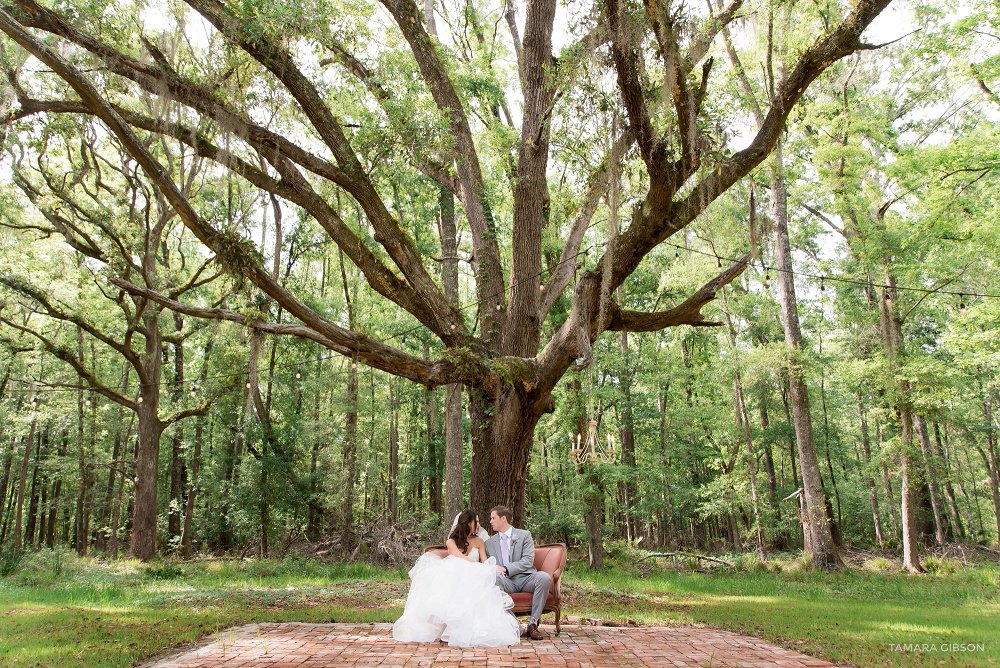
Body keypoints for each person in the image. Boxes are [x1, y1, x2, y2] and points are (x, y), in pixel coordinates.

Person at [392, 510, 520, 647]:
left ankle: (467, 627)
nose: (478, 524)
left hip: (473, 577)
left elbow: (484, 561)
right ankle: (449, 625)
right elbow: (460, 558)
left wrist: (492, 567)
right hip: (455, 575)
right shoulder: (451, 542)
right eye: (475, 522)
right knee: (457, 567)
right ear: (467, 523)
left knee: (478, 579)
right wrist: (478, 567)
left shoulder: (479, 541)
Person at [484, 505, 551, 640]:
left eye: (493, 518)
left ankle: (533, 623)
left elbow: (528, 560)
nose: (490, 521)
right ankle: (511, 623)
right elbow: (488, 564)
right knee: (494, 578)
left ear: (503, 518)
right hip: (505, 581)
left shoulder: (524, 535)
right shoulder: (489, 543)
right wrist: (496, 568)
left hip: (526, 578)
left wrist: (507, 568)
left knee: (544, 577)